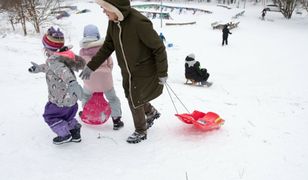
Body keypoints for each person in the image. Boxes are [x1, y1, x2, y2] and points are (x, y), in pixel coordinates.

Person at [79, 0, 168, 144]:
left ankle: (141, 131)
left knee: (134, 100)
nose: (103, 11)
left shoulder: (139, 23)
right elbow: (108, 45)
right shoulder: (114, 22)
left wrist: (162, 72)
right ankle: (151, 112)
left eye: (105, 8)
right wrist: (91, 66)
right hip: (127, 69)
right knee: (131, 96)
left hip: (143, 69)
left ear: (114, 8)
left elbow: (159, 48)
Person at [28, 27, 85, 145]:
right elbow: (52, 68)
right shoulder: (63, 57)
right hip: (71, 99)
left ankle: (64, 135)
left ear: (48, 49)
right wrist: (39, 68)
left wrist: (72, 83)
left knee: (50, 116)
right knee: (67, 116)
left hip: (59, 99)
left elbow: (63, 72)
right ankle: (75, 132)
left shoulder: (53, 61)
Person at [79, 24, 124, 130]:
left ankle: (86, 112)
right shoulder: (104, 48)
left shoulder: (82, 51)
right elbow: (110, 63)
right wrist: (107, 72)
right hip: (105, 81)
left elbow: (81, 65)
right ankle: (116, 120)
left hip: (90, 81)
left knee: (85, 96)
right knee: (112, 98)